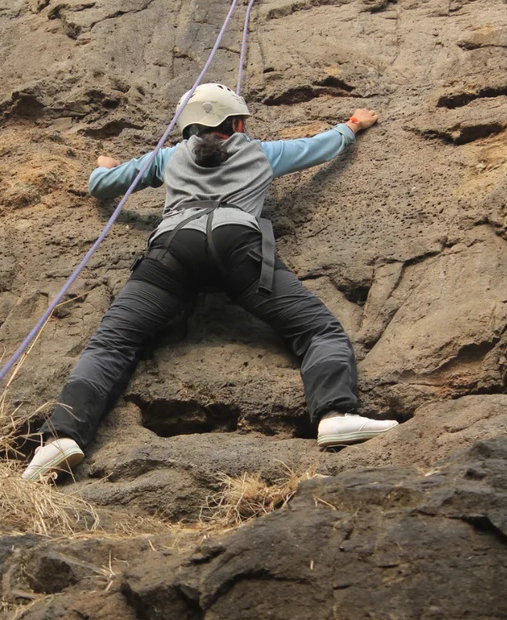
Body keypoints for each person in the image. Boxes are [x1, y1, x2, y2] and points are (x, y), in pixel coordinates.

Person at [21, 84, 397, 482]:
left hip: (172, 249)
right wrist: (353, 124)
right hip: (238, 246)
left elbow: (103, 185)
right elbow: (320, 146)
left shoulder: (169, 157)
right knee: (316, 328)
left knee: (113, 343)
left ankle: (60, 438)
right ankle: (336, 415)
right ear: (234, 122)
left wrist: (102, 166)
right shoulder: (262, 152)